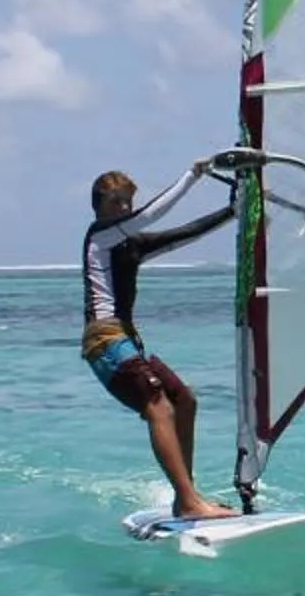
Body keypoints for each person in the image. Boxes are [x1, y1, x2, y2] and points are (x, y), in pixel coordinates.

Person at [81, 160, 237, 521]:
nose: (122, 209)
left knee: (184, 400)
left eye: (126, 202)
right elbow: (153, 214)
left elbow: (186, 233)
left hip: (127, 341)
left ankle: (187, 498)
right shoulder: (99, 236)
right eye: (114, 203)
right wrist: (193, 177)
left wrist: (234, 210)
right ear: (99, 208)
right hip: (104, 339)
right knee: (158, 406)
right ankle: (188, 501)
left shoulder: (131, 246)